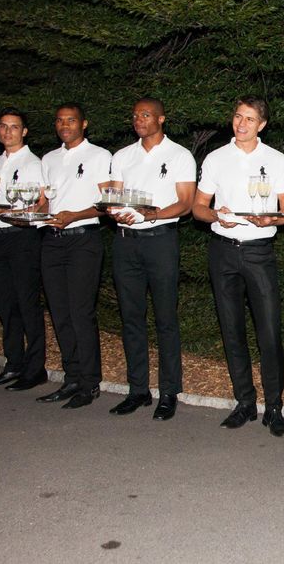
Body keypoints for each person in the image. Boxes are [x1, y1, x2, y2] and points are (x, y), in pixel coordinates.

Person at [193, 96, 284, 437]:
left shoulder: (277, 160)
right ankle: (245, 403)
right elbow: (198, 207)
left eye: (249, 119)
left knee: (269, 331)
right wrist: (215, 215)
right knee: (231, 329)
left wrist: (273, 218)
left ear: (261, 125)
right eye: (238, 116)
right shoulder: (216, 158)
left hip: (259, 252)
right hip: (223, 250)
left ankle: (275, 407)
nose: (241, 124)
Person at [108, 97, 196, 421]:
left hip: (160, 241)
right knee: (131, 317)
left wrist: (152, 215)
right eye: (135, 115)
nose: (139, 119)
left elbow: (186, 203)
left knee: (165, 318)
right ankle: (138, 390)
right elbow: (115, 197)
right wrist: (116, 211)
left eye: (146, 114)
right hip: (125, 242)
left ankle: (168, 392)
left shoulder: (179, 155)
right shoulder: (123, 156)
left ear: (161, 119)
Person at [36, 104, 112, 409]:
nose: (64, 125)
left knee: (81, 312)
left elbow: (106, 204)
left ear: (84, 123)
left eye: (71, 120)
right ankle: (71, 377)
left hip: (83, 240)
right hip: (51, 241)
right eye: (59, 120)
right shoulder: (49, 159)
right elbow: (44, 202)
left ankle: (89, 383)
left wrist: (74, 216)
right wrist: (26, 214)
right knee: (60, 312)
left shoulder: (99, 156)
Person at [0, 108, 48, 391]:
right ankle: (13, 364)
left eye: (14, 127)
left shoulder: (34, 163)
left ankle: (35, 369)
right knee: (6, 305)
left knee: (27, 304)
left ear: (24, 131)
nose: (8, 132)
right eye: (4, 127)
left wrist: (31, 209)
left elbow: (42, 203)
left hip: (22, 237)